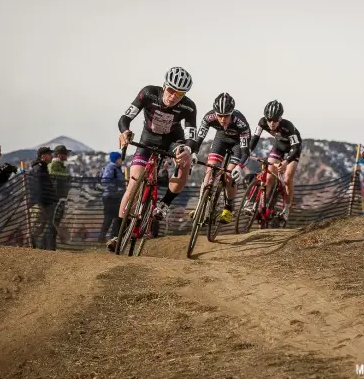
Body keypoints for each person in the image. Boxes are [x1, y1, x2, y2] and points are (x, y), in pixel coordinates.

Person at [108, 67, 196, 251]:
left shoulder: (189, 106)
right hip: (148, 139)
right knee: (133, 184)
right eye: (171, 90)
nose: (173, 96)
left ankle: (165, 204)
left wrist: (187, 149)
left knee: (185, 161)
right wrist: (125, 131)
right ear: (164, 86)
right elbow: (125, 117)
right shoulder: (148, 93)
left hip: (173, 141)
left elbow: (191, 136)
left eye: (179, 94)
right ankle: (118, 234)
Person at [192, 92, 251, 224]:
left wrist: (239, 167)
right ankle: (201, 206)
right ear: (215, 112)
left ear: (231, 113)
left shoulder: (241, 123)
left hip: (237, 144)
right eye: (220, 116)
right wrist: (194, 151)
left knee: (229, 176)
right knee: (210, 169)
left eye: (226, 116)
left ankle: (228, 207)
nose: (223, 119)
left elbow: (246, 153)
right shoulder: (209, 117)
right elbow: (199, 138)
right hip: (221, 139)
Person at [249, 100, 301, 219]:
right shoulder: (262, 122)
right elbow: (255, 138)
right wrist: (248, 151)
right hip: (279, 146)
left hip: (293, 149)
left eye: (275, 120)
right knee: (269, 178)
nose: (272, 123)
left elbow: (295, 147)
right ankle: (261, 206)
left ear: (280, 118)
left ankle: (287, 209)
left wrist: (286, 162)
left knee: (287, 179)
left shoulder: (288, 126)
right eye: (269, 119)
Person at [29, 147, 58, 249]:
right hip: (39, 202)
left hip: (45, 202)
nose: (51, 156)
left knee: (48, 227)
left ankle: (48, 250)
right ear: (43, 156)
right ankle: (30, 247)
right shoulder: (38, 168)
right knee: (38, 227)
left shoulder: (43, 167)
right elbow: (38, 187)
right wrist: (41, 201)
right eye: (49, 154)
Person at [99, 152, 125, 243]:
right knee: (109, 217)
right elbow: (105, 181)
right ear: (116, 159)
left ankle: (111, 236)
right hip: (110, 197)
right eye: (120, 158)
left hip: (114, 196)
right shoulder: (111, 168)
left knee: (115, 216)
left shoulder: (117, 169)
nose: (122, 160)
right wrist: (116, 189)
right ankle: (104, 237)